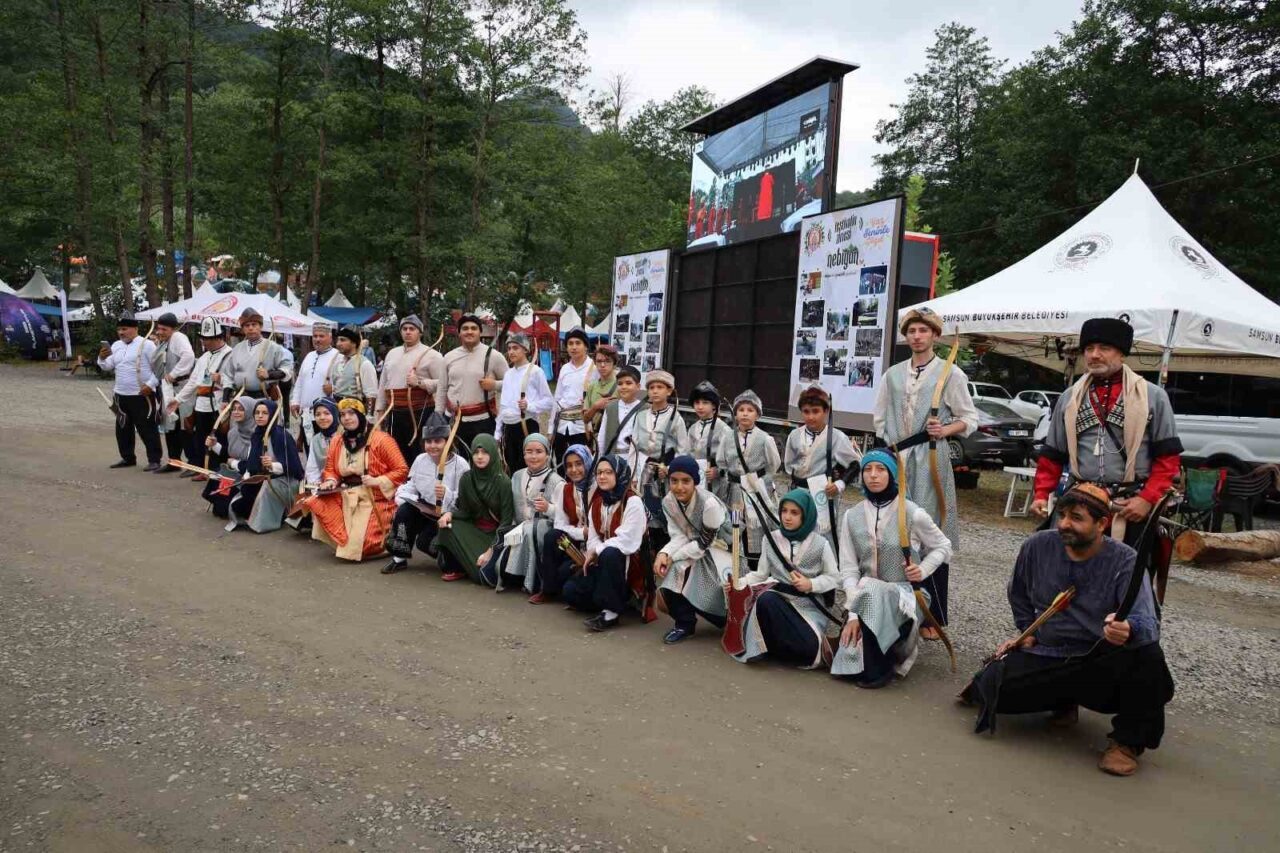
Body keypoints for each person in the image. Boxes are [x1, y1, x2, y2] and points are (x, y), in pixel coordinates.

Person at [961, 483, 1174, 777]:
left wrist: (1128, 629)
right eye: (1061, 514)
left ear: (1102, 524)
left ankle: (1127, 742)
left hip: (1099, 659)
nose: (1063, 524)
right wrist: (1027, 631)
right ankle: (1063, 700)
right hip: (1049, 652)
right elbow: (1018, 593)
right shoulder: (1037, 546)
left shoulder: (1125, 560)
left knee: (1148, 658)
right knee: (993, 689)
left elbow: (1148, 622)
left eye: (1076, 517)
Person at [1031, 317, 1183, 556]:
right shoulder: (1069, 397)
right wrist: (1041, 494)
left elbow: (1168, 459)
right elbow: (1052, 455)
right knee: (1066, 568)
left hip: (1130, 507)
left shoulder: (1153, 397)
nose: (1094, 355)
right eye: (1089, 348)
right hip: (1078, 503)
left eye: (1104, 348)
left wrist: (1146, 499)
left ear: (1121, 353)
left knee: (1124, 574)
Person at [874, 307, 977, 636]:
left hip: (931, 460)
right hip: (896, 460)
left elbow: (969, 419)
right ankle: (896, 607)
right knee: (894, 531)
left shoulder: (951, 374)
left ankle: (933, 616)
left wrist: (944, 430)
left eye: (923, 330)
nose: (917, 336)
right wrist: (887, 453)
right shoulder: (892, 375)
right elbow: (880, 418)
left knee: (931, 533)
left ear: (934, 335)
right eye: (912, 331)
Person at [830, 450, 951, 688]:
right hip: (864, 596)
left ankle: (880, 668)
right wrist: (852, 615)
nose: (873, 475)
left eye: (881, 469)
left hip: (904, 595)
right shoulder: (852, 516)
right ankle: (874, 652)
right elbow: (849, 569)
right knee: (846, 664)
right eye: (867, 469)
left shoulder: (912, 513)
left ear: (893, 474)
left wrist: (922, 570)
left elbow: (943, 547)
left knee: (866, 667)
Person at [731, 489, 841, 668]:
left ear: (806, 515)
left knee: (811, 649)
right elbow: (760, 574)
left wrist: (811, 584)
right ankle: (774, 646)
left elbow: (834, 578)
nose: (787, 517)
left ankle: (781, 648)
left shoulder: (821, 544)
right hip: (779, 602)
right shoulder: (770, 540)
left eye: (794, 513)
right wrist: (737, 583)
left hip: (808, 608)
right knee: (766, 599)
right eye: (784, 511)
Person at [309, 398, 409, 561]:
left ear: (361, 415)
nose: (346, 418)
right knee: (318, 502)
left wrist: (379, 480)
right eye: (342, 415)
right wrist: (331, 481)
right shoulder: (337, 440)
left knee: (362, 546)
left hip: (374, 498)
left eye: (351, 413)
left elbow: (402, 469)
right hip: (346, 493)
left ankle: (387, 538)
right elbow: (330, 469)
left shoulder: (382, 439)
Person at [561, 454, 652, 631]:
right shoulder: (598, 503)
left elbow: (627, 540)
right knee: (570, 591)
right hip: (604, 563)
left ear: (620, 474)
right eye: (599, 472)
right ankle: (614, 599)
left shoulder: (632, 501)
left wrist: (597, 550)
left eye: (609, 472)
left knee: (611, 552)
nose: (602, 477)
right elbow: (593, 537)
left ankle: (611, 612)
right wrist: (594, 551)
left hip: (629, 565)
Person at [654, 455, 733, 644]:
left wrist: (673, 557)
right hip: (694, 549)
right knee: (671, 572)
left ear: (695, 482)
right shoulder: (669, 502)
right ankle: (684, 624)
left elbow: (705, 542)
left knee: (679, 569)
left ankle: (725, 617)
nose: (679, 487)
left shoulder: (709, 504)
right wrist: (664, 554)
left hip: (722, 554)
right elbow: (679, 535)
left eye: (685, 481)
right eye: (674, 481)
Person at [384, 415, 470, 575]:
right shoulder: (420, 460)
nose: (432, 446)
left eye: (438, 441)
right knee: (404, 512)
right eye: (428, 441)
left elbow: (466, 498)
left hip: (448, 515)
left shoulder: (461, 465)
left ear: (448, 442)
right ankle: (399, 559)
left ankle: (453, 558)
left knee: (425, 543)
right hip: (425, 509)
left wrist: (446, 494)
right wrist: (404, 496)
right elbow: (411, 485)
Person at [783, 384, 860, 554]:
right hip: (797, 492)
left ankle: (828, 568)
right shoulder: (794, 436)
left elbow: (855, 465)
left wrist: (839, 484)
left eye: (816, 411)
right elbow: (789, 465)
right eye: (806, 411)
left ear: (826, 411)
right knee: (795, 534)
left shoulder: (837, 437)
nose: (811, 416)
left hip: (822, 493)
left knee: (822, 536)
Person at [435, 434, 515, 584]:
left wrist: (490, 550)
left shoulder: (503, 482)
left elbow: (506, 522)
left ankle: (472, 564)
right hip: (474, 529)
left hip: (494, 537)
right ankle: (457, 567)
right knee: (446, 525)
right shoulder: (467, 479)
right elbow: (465, 512)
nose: (479, 457)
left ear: (493, 453)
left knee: (481, 576)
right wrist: (449, 514)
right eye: (476, 452)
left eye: (485, 452)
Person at [716, 389, 781, 570]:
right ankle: (733, 568)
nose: (745, 413)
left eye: (750, 410)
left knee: (756, 528)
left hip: (755, 491)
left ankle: (757, 568)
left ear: (757, 415)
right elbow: (721, 461)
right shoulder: (727, 437)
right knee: (735, 526)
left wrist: (758, 480)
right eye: (741, 409)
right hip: (734, 493)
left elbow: (774, 464)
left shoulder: (765, 439)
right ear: (735, 413)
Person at [224, 398, 306, 534]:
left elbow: (294, 467)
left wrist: (272, 465)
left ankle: (275, 516)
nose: (260, 416)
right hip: (262, 478)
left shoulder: (281, 435)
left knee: (262, 492)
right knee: (238, 498)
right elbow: (252, 463)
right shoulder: (256, 434)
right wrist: (247, 476)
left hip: (283, 481)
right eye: (257, 413)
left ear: (272, 415)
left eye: (265, 413)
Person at [97, 311, 163, 471]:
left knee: (147, 427)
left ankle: (154, 459)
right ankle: (127, 458)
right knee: (123, 427)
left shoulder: (147, 345)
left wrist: (150, 385)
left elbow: (159, 368)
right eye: (119, 329)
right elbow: (107, 366)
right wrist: (101, 358)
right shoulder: (116, 345)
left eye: (124, 329)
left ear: (135, 329)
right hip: (121, 394)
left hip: (142, 395)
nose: (121, 332)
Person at [631, 370, 688, 551]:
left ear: (669, 391)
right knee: (645, 511)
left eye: (660, 387)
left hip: (665, 472)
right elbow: (633, 446)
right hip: (645, 470)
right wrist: (633, 474)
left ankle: (666, 551)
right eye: (651, 387)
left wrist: (671, 469)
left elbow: (683, 449)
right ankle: (648, 552)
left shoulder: (675, 417)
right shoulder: (640, 416)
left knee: (666, 512)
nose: (655, 391)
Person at [376, 315, 442, 465]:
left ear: (420, 332)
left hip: (420, 413)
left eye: (412, 329)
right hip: (394, 412)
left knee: (419, 454)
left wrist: (419, 382)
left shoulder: (432, 355)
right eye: (404, 329)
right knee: (395, 453)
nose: (408, 332)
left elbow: (444, 382)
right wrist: (380, 411)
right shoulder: (392, 354)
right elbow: (383, 384)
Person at [532, 443, 593, 604]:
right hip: (573, 545)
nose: (574, 470)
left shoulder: (599, 488)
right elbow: (560, 524)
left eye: (578, 464)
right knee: (552, 536)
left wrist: (588, 535)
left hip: (595, 548)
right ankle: (548, 590)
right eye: (569, 465)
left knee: (568, 582)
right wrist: (580, 533)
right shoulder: (566, 489)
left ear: (588, 463)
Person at [501, 433, 563, 593]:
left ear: (547, 454)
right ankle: (512, 574)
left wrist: (548, 508)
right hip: (518, 528)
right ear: (523, 454)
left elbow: (565, 515)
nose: (533, 456)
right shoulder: (517, 476)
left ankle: (530, 580)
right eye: (529, 452)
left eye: (539, 451)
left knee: (529, 529)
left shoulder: (556, 481)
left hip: (543, 530)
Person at [171, 318, 232, 478]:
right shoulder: (204, 357)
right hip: (201, 404)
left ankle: (219, 470)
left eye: (207, 339)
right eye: (203, 338)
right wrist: (178, 399)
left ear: (218, 338)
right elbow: (193, 382)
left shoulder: (230, 355)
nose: (204, 342)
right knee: (201, 438)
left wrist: (221, 379)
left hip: (219, 403)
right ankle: (204, 469)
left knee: (219, 439)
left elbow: (235, 380)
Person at [441, 314, 508, 457]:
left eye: (473, 328)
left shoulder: (494, 356)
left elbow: (512, 384)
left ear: (480, 332)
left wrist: (494, 385)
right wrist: (438, 415)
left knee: (483, 461)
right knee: (456, 462)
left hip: (483, 420)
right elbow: (442, 388)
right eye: (465, 328)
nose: (469, 331)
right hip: (453, 420)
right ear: (459, 332)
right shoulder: (448, 357)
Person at [495, 333, 553, 475]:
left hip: (526, 424)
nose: (511, 352)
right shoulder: (508, 374)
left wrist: (529, 406)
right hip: (508, 428)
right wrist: (497, 432)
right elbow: (503, 406)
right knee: (510, 468)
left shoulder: (536, 372)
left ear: (526, 350)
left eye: (515, 348)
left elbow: (548, 401)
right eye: (509, 348)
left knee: (529, 468)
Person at [150, 312, 196, 472]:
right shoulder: (165, 341)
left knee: (186, 426)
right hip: (169, 388)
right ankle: (174, 461)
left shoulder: (178, 338)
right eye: (159, 328)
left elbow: (189, 357)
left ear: (173, 329)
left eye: (164, 329)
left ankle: (193, 464)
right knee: (170, 426)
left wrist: (174, 374)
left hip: (182, 386)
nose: (160, 332)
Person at [221, 307, 294, 402]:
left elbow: (287, 368)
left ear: (261, 326)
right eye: (247, 325)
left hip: (264, 400)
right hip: (241, 401)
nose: (250, 328)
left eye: (254, 324)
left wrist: (269, 374)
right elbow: (228, 376)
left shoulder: (273, 347)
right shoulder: (237, 349)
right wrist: (225, 399)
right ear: (243, 329)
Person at [200, 394, 257, 516]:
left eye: (241, 409)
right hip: (234, 473)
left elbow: (254, 464)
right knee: (221, 508)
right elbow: (229, 455)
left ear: (250, 412)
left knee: (230, 509)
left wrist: (234, 463)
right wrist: (214, 445)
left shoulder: (258, 435)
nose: (236, 412)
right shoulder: (233, 432)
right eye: (234, 409)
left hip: (250, 477)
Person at [290, 321, 341, 451]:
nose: (317, 339)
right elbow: (300, 381)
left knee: (327, 451)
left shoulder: (338, 357)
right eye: (315, 336)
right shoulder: (309, 356)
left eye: (321, 336)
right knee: (310, 449)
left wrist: (333, 389)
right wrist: (295, 401)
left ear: (330, 337)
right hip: (306, 415)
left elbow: (344, 384)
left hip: (327, 415)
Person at [550, 327, 596, 461]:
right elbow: (557, 398)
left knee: (582, 464)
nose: (574, 347)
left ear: (586, 346)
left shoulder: (594, 369)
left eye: (578, 343)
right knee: (561, 463)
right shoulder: (565, 368)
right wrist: (550, 429)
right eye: (570, 343)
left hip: (583, 427)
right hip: (562, 426)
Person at [687, 380, 729, 502]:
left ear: (714, 405)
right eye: (697, 402)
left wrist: (719, 471)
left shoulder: (723, 429)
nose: (700, 407)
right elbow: (688, 453)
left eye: (705, 402)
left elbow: (732, 458)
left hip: (716, 482)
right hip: (697, 479)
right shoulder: (693, 428)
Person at [596, 364, 644, 459]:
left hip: (635, 459)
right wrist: (600, 459)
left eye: (628, 383)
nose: (623, 387)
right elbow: (602, 437)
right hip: (611, 458)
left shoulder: (645, 409)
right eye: (620, 383)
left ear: (638, 386)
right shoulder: (611, 407)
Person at [325, 327, 378, 412]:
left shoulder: (364, 364)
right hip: (337, 410)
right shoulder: (337, 362)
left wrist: (369, 417)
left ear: (354, 343)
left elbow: (371, 395)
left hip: (354, 412)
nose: (338, 343)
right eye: (338, 340)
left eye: (342, 340)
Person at [582, 344, 619, 447]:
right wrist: (595, 406)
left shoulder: (621, 386)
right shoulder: (592, 386)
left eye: (607, 361)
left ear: (614, 363)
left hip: (615, 440)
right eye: (599, 361)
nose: (602, 365)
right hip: (596, 440)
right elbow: (585, 418)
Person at [302, 397, 340, 487]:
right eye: (318, 414)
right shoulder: (316, 440)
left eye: (327, 413)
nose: (322, 417)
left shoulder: (343, 436)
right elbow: (312, 469)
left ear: (335, 414)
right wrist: (315, 486)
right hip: (324, 485)